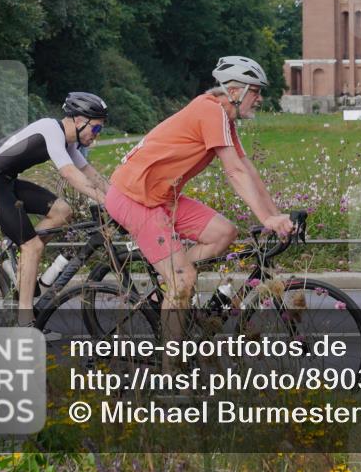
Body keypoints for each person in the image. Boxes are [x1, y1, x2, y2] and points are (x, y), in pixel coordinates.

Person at [105, 56, 294, 358]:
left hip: (162, 197)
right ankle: (170, 376)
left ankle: (173, 281)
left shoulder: (223, 116)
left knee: (224, 232)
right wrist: (267, 219)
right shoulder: (210, 111)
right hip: (134, 197)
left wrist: (274, 215)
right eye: (256, 91)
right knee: (183, 281)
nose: (260, 99)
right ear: (235, 91)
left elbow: (247, 167)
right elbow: (234, 172)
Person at [0, 92, 109, 334]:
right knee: (32, 246)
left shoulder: (69, 142)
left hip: (6, 182)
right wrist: (105, 200)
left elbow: (89, 173)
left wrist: (120, 199)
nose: (95, 136)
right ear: (78, 120)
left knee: (63, 211)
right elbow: (70, 173)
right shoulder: (49, 129)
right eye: (95, 130)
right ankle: (24, 320)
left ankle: (25, 261)